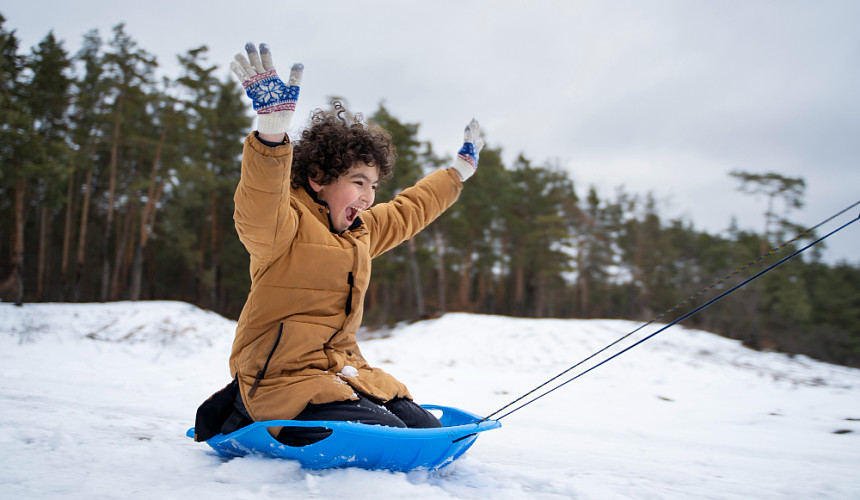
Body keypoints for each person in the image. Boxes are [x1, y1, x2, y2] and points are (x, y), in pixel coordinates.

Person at [193, 43, 484, 445]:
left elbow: (409, 210)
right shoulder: (283, 227)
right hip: (279, 375)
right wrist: (271, 135)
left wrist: (455, 175)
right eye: (358, 183)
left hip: (341, 371)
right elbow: (259, 201)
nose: (368, 196)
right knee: (384, 436)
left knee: (424, 432)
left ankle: (328, 414)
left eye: (374, 186)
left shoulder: (359, 233)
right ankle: (241, 412)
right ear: (318, 178)